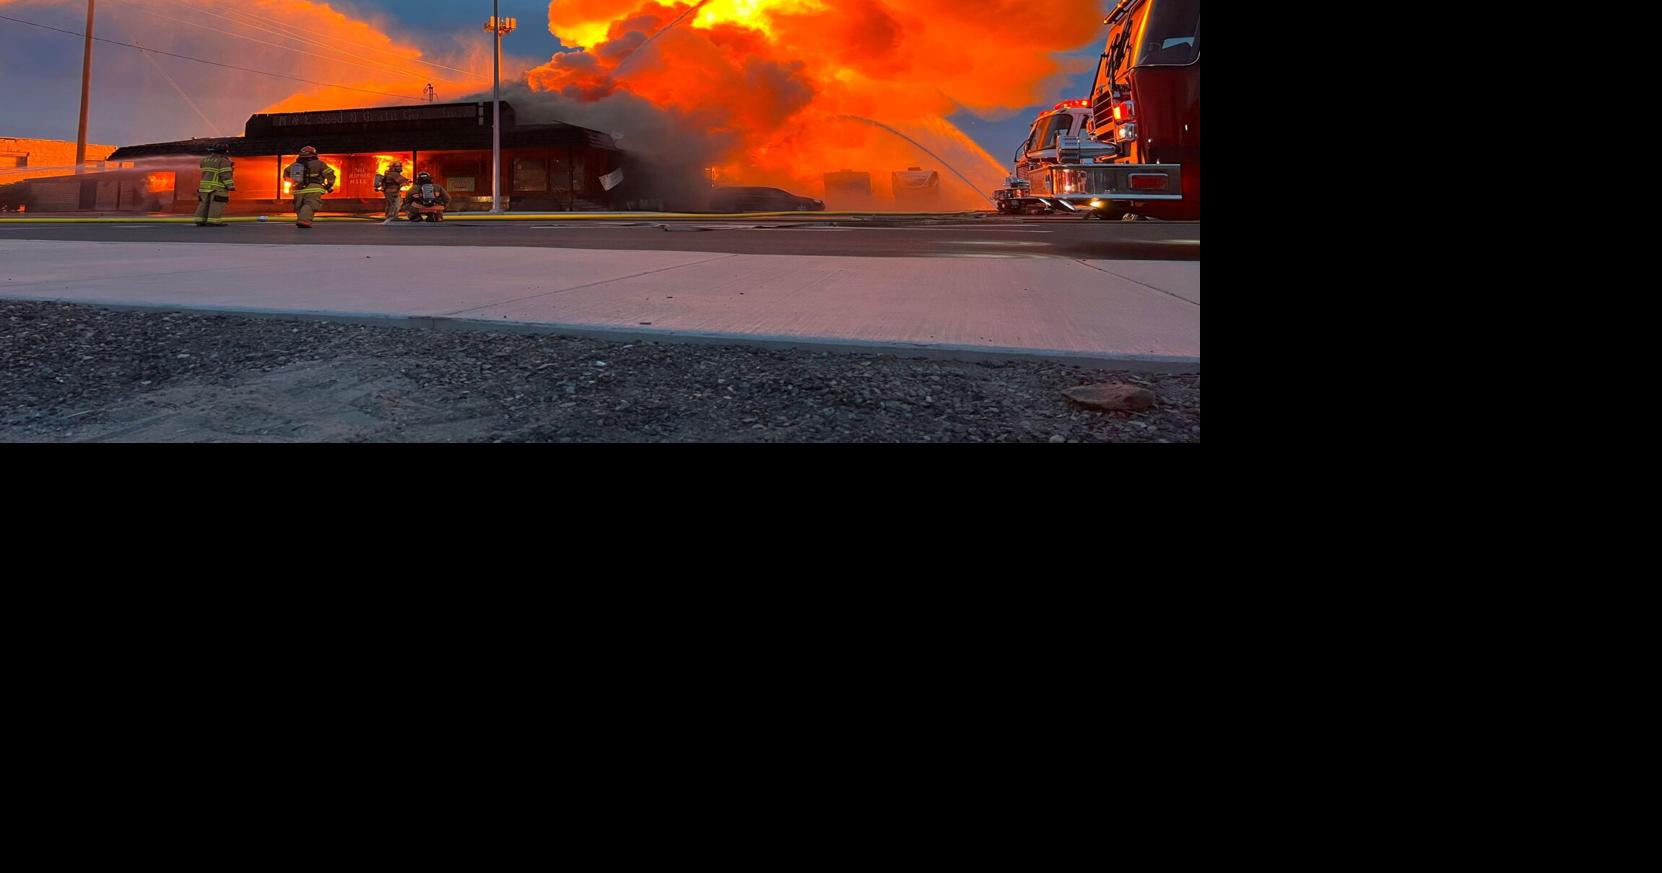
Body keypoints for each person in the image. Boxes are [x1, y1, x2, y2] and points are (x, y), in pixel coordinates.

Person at [283, 146, 335, 229]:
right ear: (313, 154)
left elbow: (286, 175)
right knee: (310, 204)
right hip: (314, 188)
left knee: (299, 205)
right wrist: (329, 184)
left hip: (297, 189)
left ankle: (301, 219)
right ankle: (304, 221)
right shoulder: (319, 163)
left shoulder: (294, 165)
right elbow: (330, 174)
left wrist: (294, 183)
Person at [194, 143, 235, 227]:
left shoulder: (205, 160)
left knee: (203, 204)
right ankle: (213, 221)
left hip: (204, 187)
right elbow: (225, 175)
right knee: (217, 204)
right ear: (224, 151)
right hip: (218, 187)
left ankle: (199, 220)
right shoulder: (223, 161)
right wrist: (230, 186)